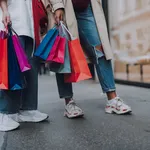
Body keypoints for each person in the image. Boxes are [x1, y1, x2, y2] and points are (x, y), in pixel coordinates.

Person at [45, 0, 132, 118]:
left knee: (100, 49)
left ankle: (112, 99)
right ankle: (69, 102)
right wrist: (57, 5)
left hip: (87, 6)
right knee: (62, 53)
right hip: (64, 5)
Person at [0, 0, 63, 132]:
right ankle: (4, 112)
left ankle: (27, 109)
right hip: (12, 19)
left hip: (29, 23)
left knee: (31, 66)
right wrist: (5, 10)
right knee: (11, 67)